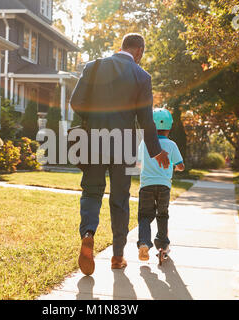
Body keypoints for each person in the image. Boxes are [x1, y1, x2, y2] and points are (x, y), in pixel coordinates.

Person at [70, 33, 170, 276]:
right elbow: (146, 119)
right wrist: (156, 151)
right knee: (120, 200)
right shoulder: (141, 76)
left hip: (92, 139)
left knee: (92, 192)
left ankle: (88, 233)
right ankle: (117, 257)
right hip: (125, 143)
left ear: (122, 47)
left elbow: (75, 102)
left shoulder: (93, 68)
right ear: (139, 51)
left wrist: (94, 118)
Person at [137, 108, 185, 262]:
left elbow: (138, 163)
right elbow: (181, 166)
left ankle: (144, 242)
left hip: (146, 186)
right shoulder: (172, 144)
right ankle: (163, 246)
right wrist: (173, 166)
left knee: (145, 216)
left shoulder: (144, 143)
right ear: (170, 127)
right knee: (162, 215)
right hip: (164, 186)